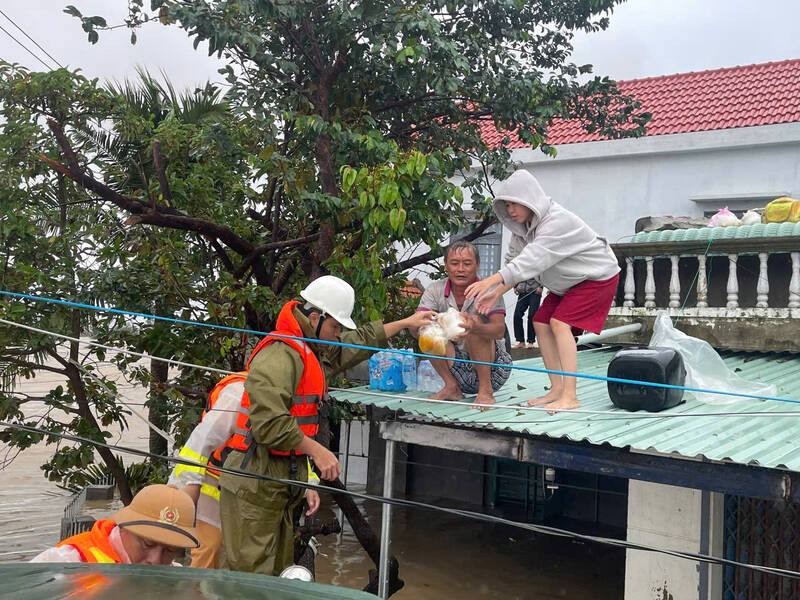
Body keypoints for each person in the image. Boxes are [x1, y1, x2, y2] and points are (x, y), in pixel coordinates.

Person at [217, 275, 435, 576]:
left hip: (279, 479)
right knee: (245, 579)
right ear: (316, 317)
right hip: (255, 480)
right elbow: (269, 423)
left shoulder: (311, 350)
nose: (336, 335)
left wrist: (404, 323)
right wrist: (316, 450)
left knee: (275, 576)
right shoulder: (280, 355)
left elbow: (353, 345)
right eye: (334, 327)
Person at [465, 169, 620, 412]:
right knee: (540, 322)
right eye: (507, 205)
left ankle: (570, 395)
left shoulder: (556, 221)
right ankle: (556, 389)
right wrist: (496, 291)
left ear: (529, 199)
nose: (511, 210)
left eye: (515, 203)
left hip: (596, 277)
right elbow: (515, 263)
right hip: (568, 283)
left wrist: (490, 281)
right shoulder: (522, 230)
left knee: (559, 323)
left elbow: (532, 260)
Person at [167, 373, 321, 569]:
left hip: (248, 489)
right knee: (210, 549)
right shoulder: (238, 392)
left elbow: (291, 444)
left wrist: (309, 484)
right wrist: (191, 483)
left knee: (246, 556)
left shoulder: (288, 399)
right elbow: (200, 441)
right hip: (209, 480)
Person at [412, 241, 512, 409]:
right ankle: (451, 387)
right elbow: (414, 327)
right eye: (454, 263)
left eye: (467, 263)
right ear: (446, 266)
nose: (460, 269)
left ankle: (485, 392)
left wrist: (475, 327)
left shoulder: (489, 290)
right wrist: (427, 325)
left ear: (477, 265)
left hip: (494, 370)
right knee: (426, 329)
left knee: (474, 324)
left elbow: (499, 331)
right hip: (457, 369)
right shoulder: (435, 290)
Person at [31, 484, 199, 565]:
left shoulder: (176, 576)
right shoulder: (66, 562)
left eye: (170, 550)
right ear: (123, 527)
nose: (155, 561)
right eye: (147, 544)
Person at [511, 278, 542, 349]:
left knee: (532, 315)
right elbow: (516, 273)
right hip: (522, 291)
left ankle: (531, 341)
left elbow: (543, 273)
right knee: (517, 315)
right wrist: (515, 286)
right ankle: (521, 341)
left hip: (535, 292)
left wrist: (541, 287)